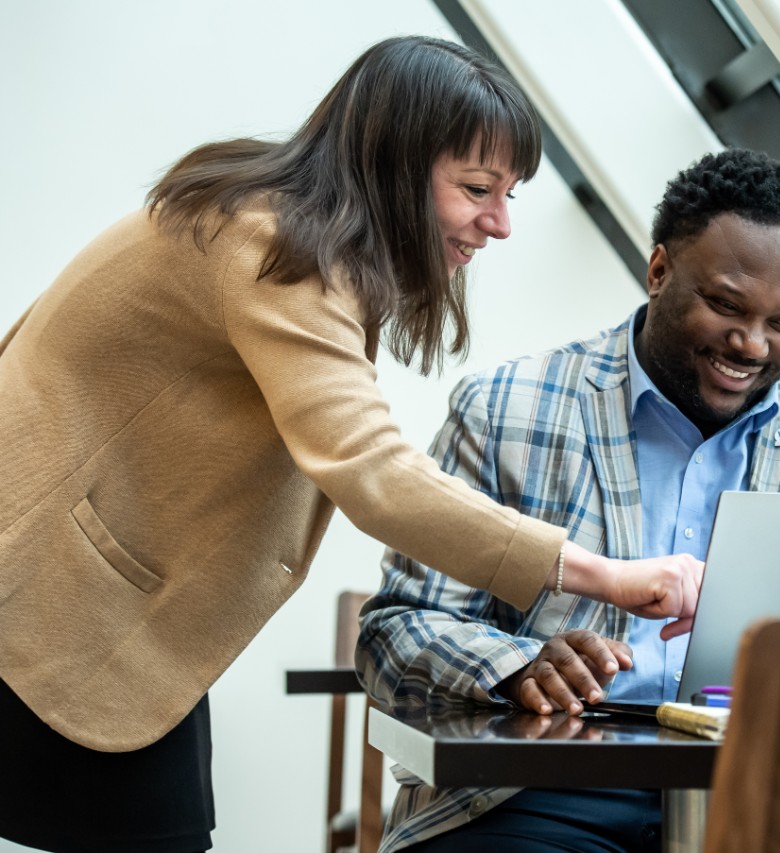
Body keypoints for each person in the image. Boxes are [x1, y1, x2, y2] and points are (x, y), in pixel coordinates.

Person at [0, 36, 701, 853]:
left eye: (508, 194)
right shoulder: (269, 247)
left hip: (98, 605)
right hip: (45, 592)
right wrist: (609, 574)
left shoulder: (275, 229)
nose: (501, 223)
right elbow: (373, 470)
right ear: (395, 164)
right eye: (478, 189)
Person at [357, 148, 780, 853]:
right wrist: (516, 666)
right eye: (726, 305)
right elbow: (396, 629)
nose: (750, 344)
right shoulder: (508, 410)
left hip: (771, 798)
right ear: (659, 271)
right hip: (537, 794)